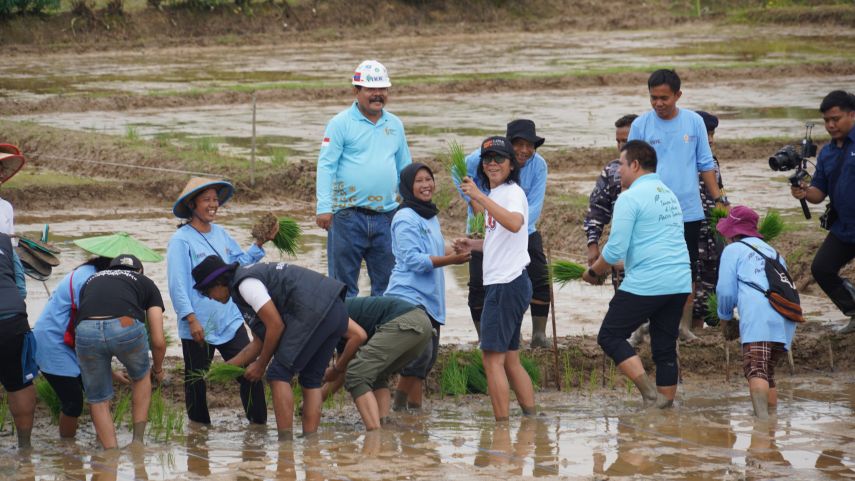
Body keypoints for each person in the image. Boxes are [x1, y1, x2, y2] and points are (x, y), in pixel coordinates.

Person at [583, 140, 692, 409]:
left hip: (649, 282)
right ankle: (665, 406)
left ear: (634, 164)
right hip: (678, 282)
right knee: (664, 346)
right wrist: (614, 265)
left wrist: (594, 273)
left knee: (609, 335)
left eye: (620, 164)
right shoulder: (668, 194)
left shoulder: (629, 197)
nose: (618, 170)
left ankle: (649, 395)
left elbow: (615, 248)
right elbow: (652, 245)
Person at [191, 255, 348, 439]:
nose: (210, 298)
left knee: (277, 374)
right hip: (335, 309)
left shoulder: (245, 285)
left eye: (206, 292)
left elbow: (276, 325)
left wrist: (261, 365)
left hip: (312, 312)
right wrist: (224, 368)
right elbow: (259, 341)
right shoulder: (243, 283)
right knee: (311, 379)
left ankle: (285, 441)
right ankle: (310, 441)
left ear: (217, 283)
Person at [628, 69, 727, 342]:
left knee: (686, 269)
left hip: (687, 212)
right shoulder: (641, 125)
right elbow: (631, 167)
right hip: (651, 211)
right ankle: (643, 327)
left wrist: (719, 199)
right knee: (647, 266)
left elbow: (705, 164)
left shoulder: (693, 122)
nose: (658, 103)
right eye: (653, 98)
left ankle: (682, 327)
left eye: (664, 98)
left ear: (678, 95)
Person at [167, 177, 274, 425]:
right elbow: (177, 284)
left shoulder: (222, 234)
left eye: (216, 199)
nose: (213, 204)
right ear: (193, 205)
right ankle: (199, 433)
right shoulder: (181, 240)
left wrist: (259, 243)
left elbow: (240, 265)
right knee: (196, 381)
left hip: (230, 319)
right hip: (199, 325)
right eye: (206, 200)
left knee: (249, 374)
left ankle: (258, 426)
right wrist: (191, 319)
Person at [454, 136, 536, 421]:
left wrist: (477, 196)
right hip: (509, 281)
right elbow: (499, 240)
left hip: (505, 283)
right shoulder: (498, 194)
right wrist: (472, 245)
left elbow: (515, 224)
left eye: (499, 159)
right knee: (510, 359)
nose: (492, 164)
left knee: (492, 360)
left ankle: (502, 426)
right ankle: (531, 418)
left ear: (511, 165)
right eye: (487, 159)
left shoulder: (510, 193)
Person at [316, 59, 412, 297]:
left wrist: (412, 208)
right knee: (343, 287)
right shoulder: (340, 124)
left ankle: (380, 334)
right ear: (356, 91)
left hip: (387, 216)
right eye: (371, 89)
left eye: (382, 89)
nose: (377, 94)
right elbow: (326, 166)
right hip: (347, 216)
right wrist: (324, 207)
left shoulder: (395, 125)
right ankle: (347, 334)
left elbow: (405, 168)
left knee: (388, 286)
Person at [457, 119, 550, 347]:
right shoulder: (478, 159)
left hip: (521, 229)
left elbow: (526, 212)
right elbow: (457, 171)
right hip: (484, 230)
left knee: (539, 278)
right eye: (519, 144)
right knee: (479, 285)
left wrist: (502, 220)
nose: (525, 151)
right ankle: (485, 337)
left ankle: (538, 335)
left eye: (530, 146)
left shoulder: (535, 169)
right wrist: (474, 203)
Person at [385, 163, 470, 411]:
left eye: (429, 179)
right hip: (409, 295)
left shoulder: (428, 215)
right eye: (419, 181)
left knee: (427, 359)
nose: (426, 185)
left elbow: (434, 250)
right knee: (419, 355)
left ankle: (413, 413)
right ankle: (399, 406)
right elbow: (414, 260)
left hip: (430, 298)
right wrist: (452, 261)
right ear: (408, 187)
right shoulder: (404, 218)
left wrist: (459, 248)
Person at [33, 254, 132, 439]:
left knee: (99, 395)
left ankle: (102, 441)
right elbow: (94, 332)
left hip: (71, 341)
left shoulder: (92, 274)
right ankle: (68, 451)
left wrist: (109, 373)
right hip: (54, 342)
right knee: (73, 402)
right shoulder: (90, 281)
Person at [715, 206, 798, 419]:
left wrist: (725, 318)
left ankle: (761, 426)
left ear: (733, 232)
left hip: (759, 317)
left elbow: (725, 291)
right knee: (767, 372)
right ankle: (771, 425)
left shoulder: (733, 250)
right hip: (786, 318)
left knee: (756, 369)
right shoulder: (774, 253)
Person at [75, 254, 166, 448]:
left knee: (97, 398)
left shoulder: (91, 279)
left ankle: (110, 452)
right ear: (140, 271)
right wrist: (157, 370)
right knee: (141, 378)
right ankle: (137, 443)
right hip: (125, 325)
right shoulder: (145, 281)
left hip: (86, 330)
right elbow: (158, 340)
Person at [791, 90, 855, 334]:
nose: (830, 125)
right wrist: (804, 192)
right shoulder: (827, 152)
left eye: (835, 119)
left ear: (852, 115)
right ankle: (853, 311)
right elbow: (819, 193)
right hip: (845, 228)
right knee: (822, 268)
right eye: (827, 120)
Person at [322, 296, 433, 430]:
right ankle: (383, 423)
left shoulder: (330, 314)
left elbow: (359, 337)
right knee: (376, 374)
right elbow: (341, 372)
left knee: (357, 373)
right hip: (423, 325)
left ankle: (374, 432)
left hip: (407, 322)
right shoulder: (339, 330)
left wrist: (334, 370)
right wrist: (315, 402)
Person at [583, 114, 641, 344]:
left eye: (626, 141)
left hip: (651, 254)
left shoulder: (658, 170)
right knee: (624, 303)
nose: (620, 147)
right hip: (622, 251)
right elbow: (597, 210)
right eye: (618, 141)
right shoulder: (613, 171)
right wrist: (593, 245)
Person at [0, 231, 35, 449]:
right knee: (19, 383)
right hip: (12, 317)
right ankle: (25, 449)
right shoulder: (4, 241)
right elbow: (20, 287)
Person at [694, 111, 726, 328]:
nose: (711, 139)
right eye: (706, 133)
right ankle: (690, 336)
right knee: (692, 296)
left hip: (711, 239)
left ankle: (709, 339)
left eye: (712, 133)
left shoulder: (712, 162)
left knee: (710, 296)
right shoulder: (681, 162)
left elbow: (720, 198)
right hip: (691, 237)